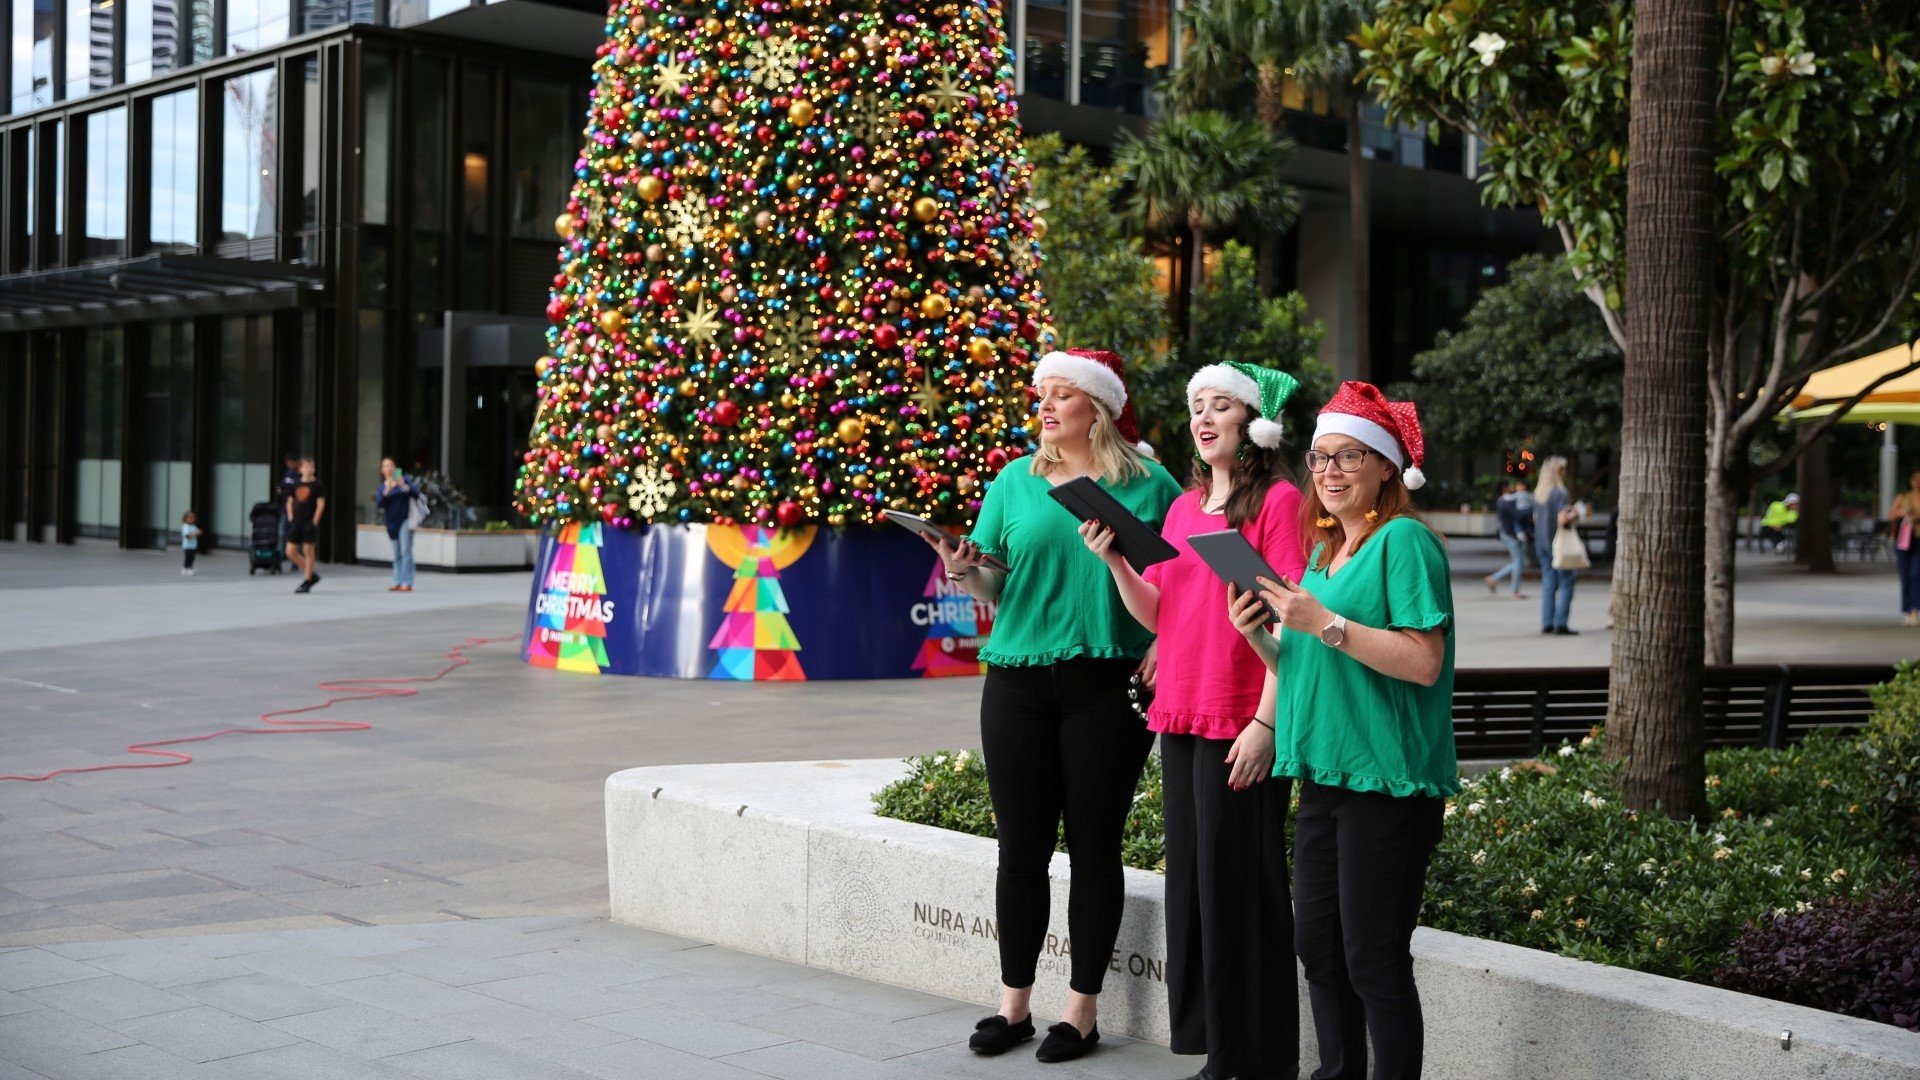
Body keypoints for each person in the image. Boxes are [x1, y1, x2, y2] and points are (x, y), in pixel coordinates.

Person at [920, 348, 1180, 1065]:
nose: (1047, 405)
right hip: (1016, 681)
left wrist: (1167, 643)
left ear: (1095, 409)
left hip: (1107, 683)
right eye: (1043, 393)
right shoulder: (1014, 480)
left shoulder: (1150, 484)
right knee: (1021, 848)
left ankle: (1083, 1011)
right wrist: (966, 569)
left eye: (1063, 395)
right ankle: (1014, 1006)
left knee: (1095, 846)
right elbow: (997, 591)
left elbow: (1177, 592)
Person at [1078, 361, 1305, 1080]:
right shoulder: (1181, 508)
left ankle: (1256, 1055)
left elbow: (1294, 618)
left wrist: (1267, 724)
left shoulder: (1279, 501)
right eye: (1197, 407)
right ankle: (1218, 1049)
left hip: (1242, 719)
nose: (1204, 419)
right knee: (1198, 892)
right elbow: (1160, 615)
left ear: (1252, 424)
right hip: (1181, 714)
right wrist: (1116, 562)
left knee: (1243, 891)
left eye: (1221, 407)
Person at [1228, 381, 1457, 1080]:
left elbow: (1423, 661)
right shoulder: (1324, 556)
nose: (1327, 472)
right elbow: (1311, 666)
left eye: (1347, 457)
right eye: (1319, 458)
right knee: (1319, 949)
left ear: (1385, 466)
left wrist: (1323, 622)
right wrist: (1265, 640)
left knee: (1373, 959)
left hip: (1387, 776)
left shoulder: (1404, 542)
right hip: (1325, 771)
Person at [1533, 456, 1580, 635]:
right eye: (1563, 470)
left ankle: (1547, 622)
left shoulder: (1539, 493)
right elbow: (1562, 518)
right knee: (1567, 580)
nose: (1565, 473)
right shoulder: (1560, 493)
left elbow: (1535, 519)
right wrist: (1575, 513)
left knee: (1548, 581)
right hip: (1558, 542)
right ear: (1557, 472)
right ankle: (1561, 622)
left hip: (1542, 542)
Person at [374, 457, 419, 593]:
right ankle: (397, 581)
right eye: (386, 466)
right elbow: (380, 503)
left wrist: (403, 486)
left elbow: (416, 494)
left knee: (406, 550)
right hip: (391, 522)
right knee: (396, 553)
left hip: (405, 520)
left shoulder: (404, 480)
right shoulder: (382, 487)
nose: (389, 468)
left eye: (391, 465)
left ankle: (407, 581)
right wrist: (387, 490)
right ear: (382, 470)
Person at [1484, 478, 1532, 599]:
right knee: (1518, 562)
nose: (1513, 487)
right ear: (1504, 488)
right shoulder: (1505, 501)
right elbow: (1518, 514)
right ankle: (1508, 587)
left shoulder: (1507, 499)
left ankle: (1498, 580)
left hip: (1511, 534)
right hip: (1510, 534)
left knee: (1519, 562)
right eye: (1510, 485)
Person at [284, 457, 326, 594]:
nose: (310, 469)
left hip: (309, 522)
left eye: (312, 467)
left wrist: (315, 521)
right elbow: (289, 501)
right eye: (307, 467)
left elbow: (321, 504)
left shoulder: (317, 485)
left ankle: (307, 580)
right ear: (301, 469)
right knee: (290, 551)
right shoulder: (295, 484)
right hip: (297, 522)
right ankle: (311, 574)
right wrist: (290, 516)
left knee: (308, 551)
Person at [1889, 472, 1920, 625]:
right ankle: (1908, 610)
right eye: (1916, 480)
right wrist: (1901, 513)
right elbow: (1891, 515)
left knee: (1916, 574)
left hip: (1919, 541)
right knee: (1906, 576)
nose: (1918, 483)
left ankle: (1915, 608)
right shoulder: (1903, 497)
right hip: (1904, 540)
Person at [180, 510, 201, 577]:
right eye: (190, 518)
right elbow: (187, 537)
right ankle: (185, 569)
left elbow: (197, 531)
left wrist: (198, 532)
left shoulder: (193, 526)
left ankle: (190, 568)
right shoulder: (185, 527)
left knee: (192, 558)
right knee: (188, 558)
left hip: (193, 546)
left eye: (193, 518)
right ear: (185, 519)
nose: (192, 519)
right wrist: (195, 534)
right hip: (187, 546)